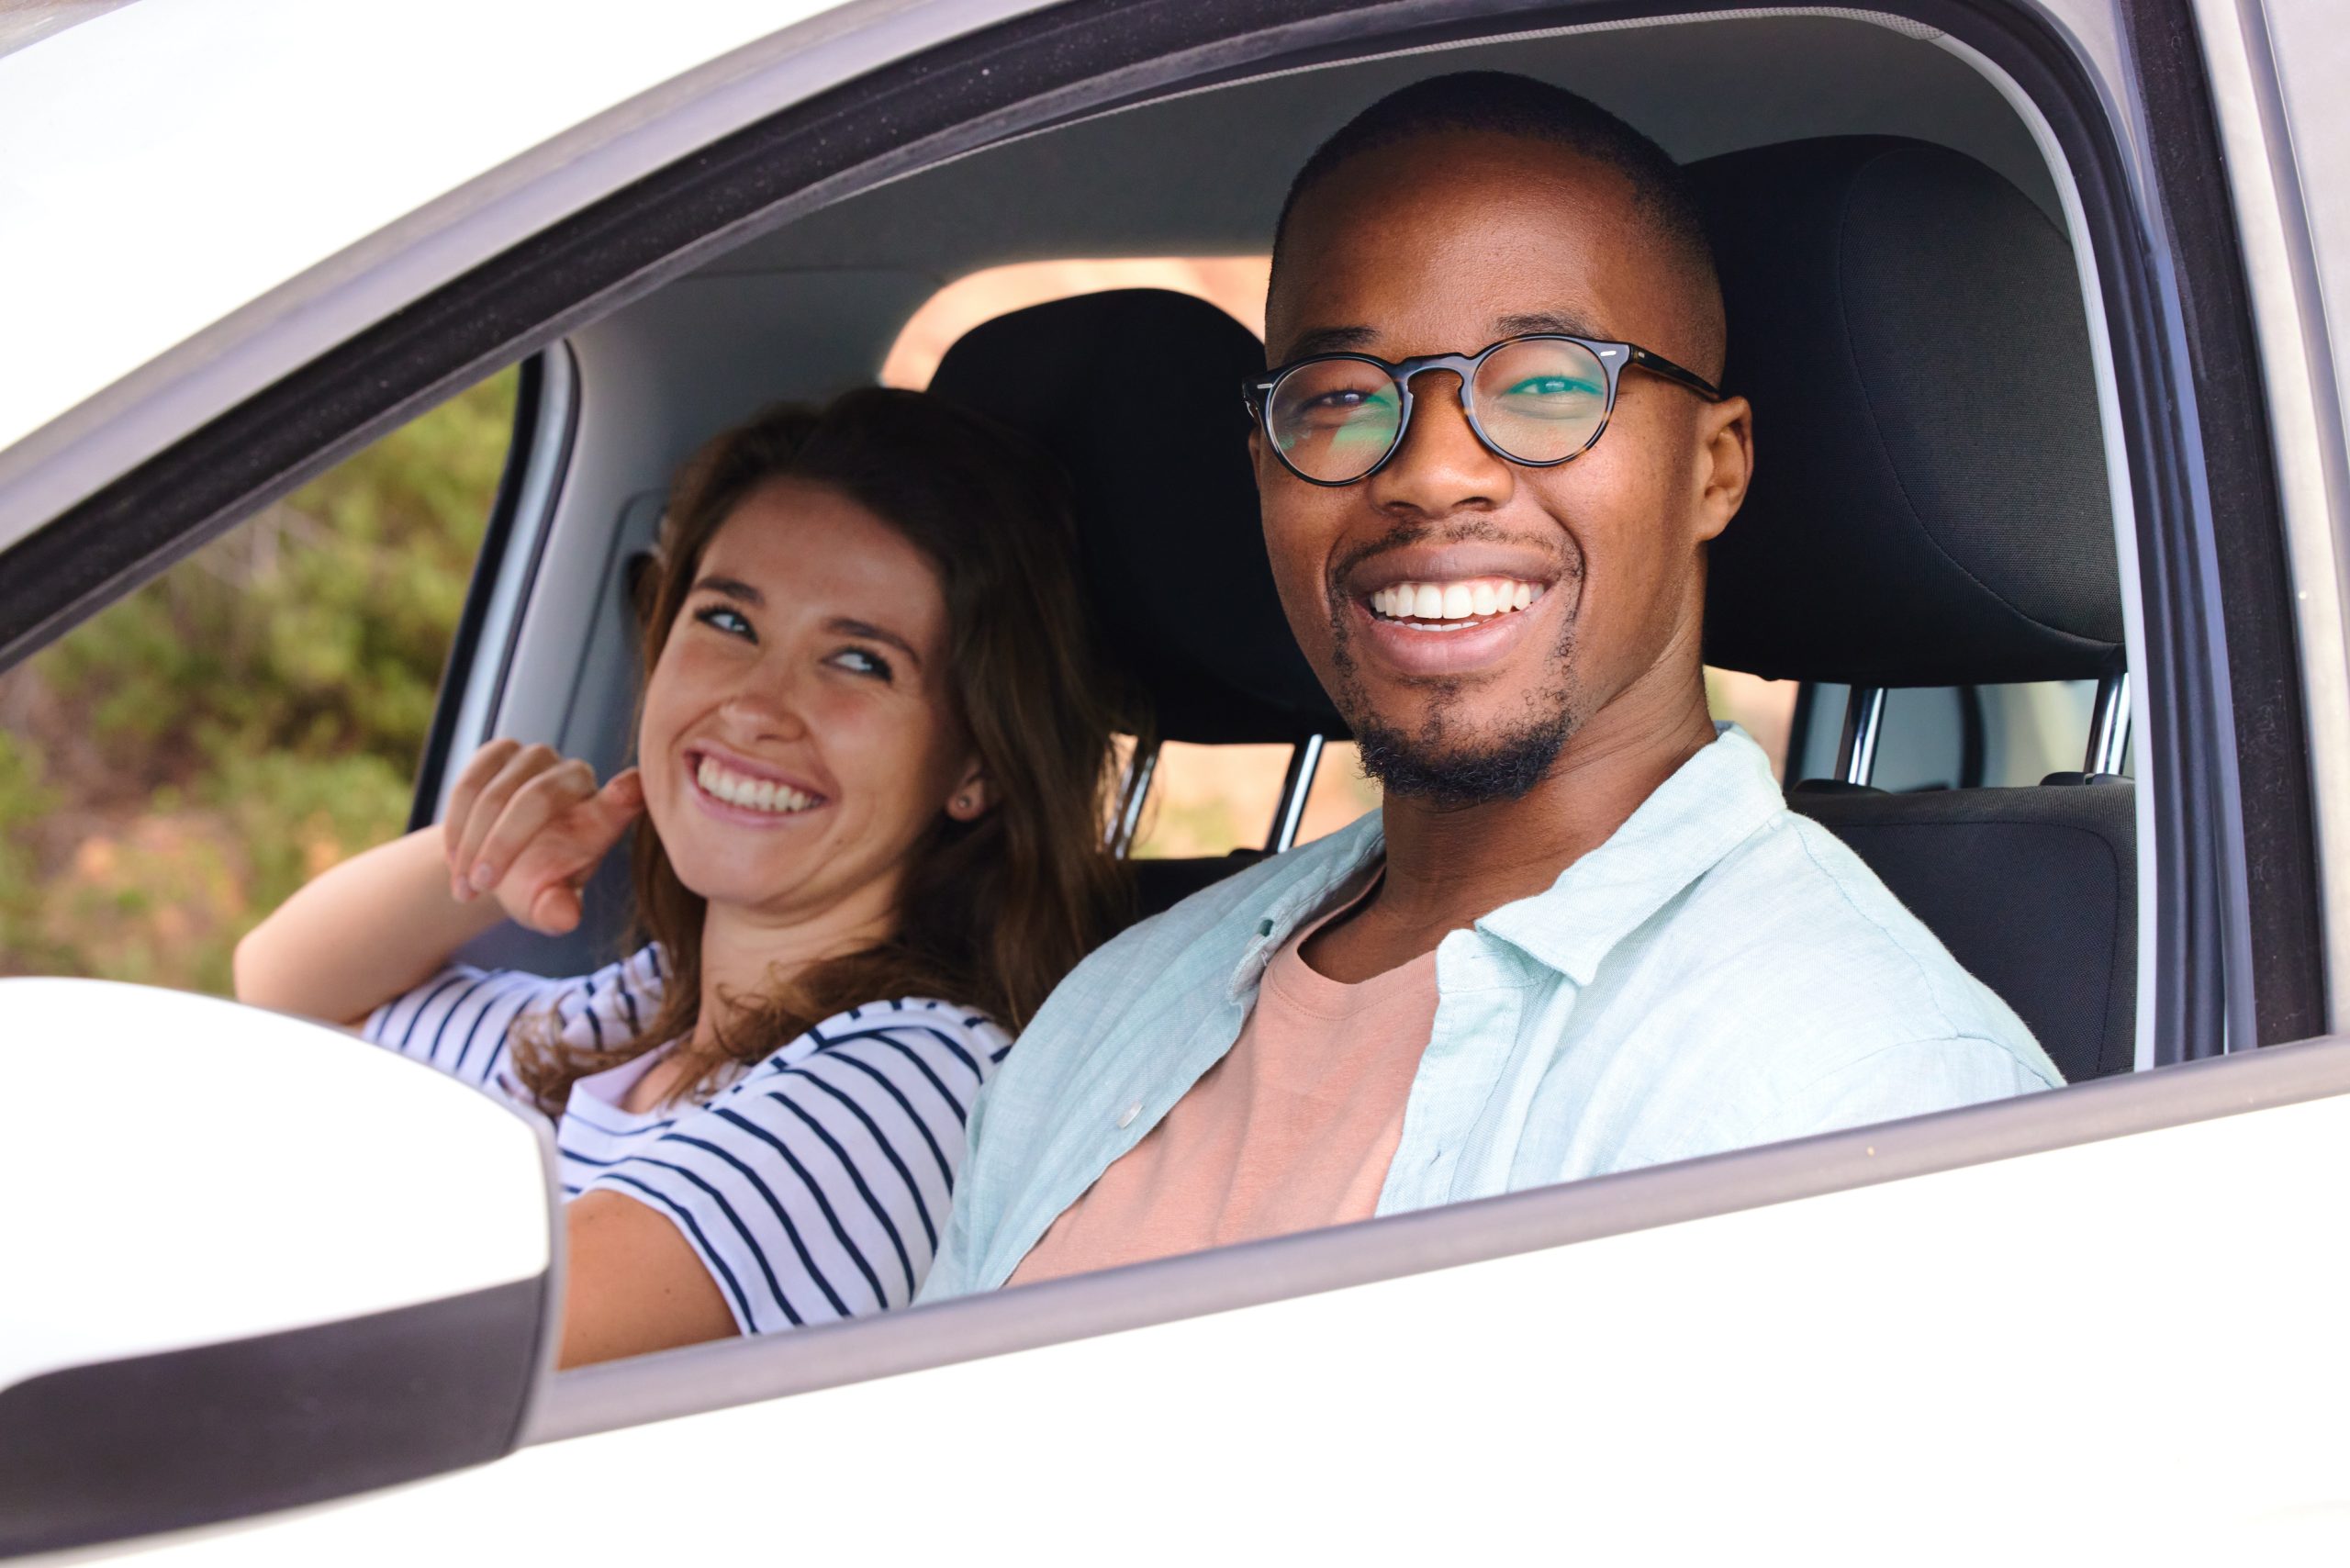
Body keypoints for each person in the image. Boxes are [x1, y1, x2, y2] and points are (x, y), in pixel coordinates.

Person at [919, 73, 2062, 1298]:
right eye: (1346, 399)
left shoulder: (1859, 1093)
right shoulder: (1118, 1010)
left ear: (1713, 469)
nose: (1432, 472)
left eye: (1549, 384)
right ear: (1262, 473)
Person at [235, 388, 1126, 1364]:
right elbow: (284, 995)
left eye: (860, 661)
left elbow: (444, 1349)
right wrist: (493, 865)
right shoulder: (638, 1012)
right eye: (729, 623)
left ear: (976, 766)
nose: (756, 705)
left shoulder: (918, 1076)